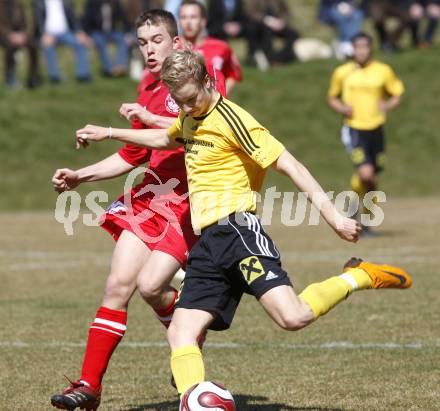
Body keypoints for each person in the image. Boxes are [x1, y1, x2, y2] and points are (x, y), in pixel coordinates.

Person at [75, 48, 412, 400]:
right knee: (180, 332)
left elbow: (291, 165)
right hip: (205, 242)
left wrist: (335, 217)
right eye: (180, 102)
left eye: (190, 99)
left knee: (292, 317)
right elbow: (164, 137)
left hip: (238, 232)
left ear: (207, 81)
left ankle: (357, 276)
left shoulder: (235, 120)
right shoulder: (191, 117)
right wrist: (110, 132)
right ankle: (197, 402)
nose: (187, 108)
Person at [49, 10, 224, 411]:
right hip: (149, 200)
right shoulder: (148, 89)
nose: (148, 49)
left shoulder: (204, 79)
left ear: (176, 42)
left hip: (190, 203)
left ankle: (187, 335)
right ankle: (89, 387)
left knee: (151, 287)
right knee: (118, 286)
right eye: (142, 43)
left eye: (156, 40)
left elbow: (187, 132)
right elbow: (133, 155)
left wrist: (126, 125)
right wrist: (81, 175)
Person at [327, 32, 404, 234]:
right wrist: (342, 108)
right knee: (365, 172)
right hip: (354, 129)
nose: (361, 50)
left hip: (376, 129)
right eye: (357, 46)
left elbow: (396, 93)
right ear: (352, 49)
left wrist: (387, 105)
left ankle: (367, 223)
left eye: (365, 46)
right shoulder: (343, 72)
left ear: (371, 48)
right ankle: (352, 210)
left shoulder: (383, 71)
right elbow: (332, 97)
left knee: (371, 179)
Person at [179, 0, 242, 95]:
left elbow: (234, 73)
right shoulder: (172, 48)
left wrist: (223, 94)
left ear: (203, 21)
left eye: (193, 17)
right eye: (184, 17)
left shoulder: (221, 47)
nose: (188, 22)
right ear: (179, 21)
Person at [33, 0, 92, 83]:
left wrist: (79, 32)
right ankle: (54, 76)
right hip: (48, 34)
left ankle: (82, 74)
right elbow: (38, 20)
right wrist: (44, 34)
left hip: (65, 33)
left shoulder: (66, 1)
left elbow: (73, 17)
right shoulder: (39, 2)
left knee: (80, 43)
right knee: (48, 47)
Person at [82, 0, 131, 77]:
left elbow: (124, 17)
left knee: (123, 40)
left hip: (112, 31)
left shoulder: (115, 2)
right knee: (100, 42)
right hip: (97, 31)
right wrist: (87, 35)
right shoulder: (92, 2)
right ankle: (109, 69)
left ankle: (119, 66)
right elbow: (86, 19)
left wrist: (127, 33)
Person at [0, 0, 41, 88]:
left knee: (33, 45)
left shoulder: (18, 4)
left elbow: (24, 22)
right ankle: (10, 78)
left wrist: (23, 34)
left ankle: (33, 77)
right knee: (10, 47)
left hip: (18, 35)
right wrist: (10, 35)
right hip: (3, 36)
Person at [246, 0, 299, 66]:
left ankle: (281, 57)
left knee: (293, 34)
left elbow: (285, 11)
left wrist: (281, 21)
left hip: (277, 24)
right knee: (267, 31)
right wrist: (265, 20)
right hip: (262, 25)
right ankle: (271, 58)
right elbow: (252, 13)